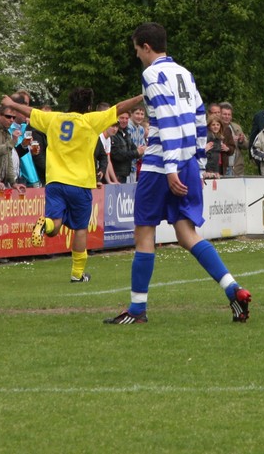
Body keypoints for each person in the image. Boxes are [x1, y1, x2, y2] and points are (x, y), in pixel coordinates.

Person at [105, 22, 251, 325]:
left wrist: (170, 168)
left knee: (144, 232)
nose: (137, 56)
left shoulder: (152, 74)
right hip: (186, 163)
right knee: (187, 234)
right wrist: (197, 163)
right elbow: (199, 118)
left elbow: (168, 119)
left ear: (146, 47)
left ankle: (137, 310)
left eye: (137, 50)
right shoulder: (185, 73)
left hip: (162, 164)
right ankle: (233, 289)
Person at [2, 88, 143, 284]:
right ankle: (77, 274)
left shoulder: (53, 119)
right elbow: (119, 108)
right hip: (80, 183)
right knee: (80, 228)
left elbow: (31, 111)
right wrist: (142, 96)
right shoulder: (90, 120)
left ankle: (44, 224)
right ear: (88, 106)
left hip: (55, 182)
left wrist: (11, 103)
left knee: (54, 225)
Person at [218, 102, 247, 177]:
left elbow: (246, 145)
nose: (227, 117)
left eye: (229, 114)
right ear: (219, 114)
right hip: (222, 168)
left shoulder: (237, 127)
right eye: (224, 114)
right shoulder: (215, 127)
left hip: (236, 168)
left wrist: (241, 141)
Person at [111, 111, 140, 182]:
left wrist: (140, 150)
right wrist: (137, 152)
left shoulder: (126, 133)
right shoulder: (112, 134)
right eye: (122, 118)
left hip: (125, 174)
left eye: (126, 118)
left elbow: (134, 148)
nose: (124, 121)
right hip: (115, 175)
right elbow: (117, 155)